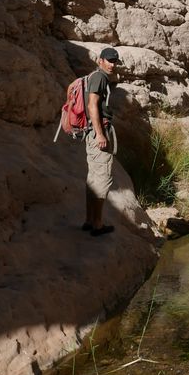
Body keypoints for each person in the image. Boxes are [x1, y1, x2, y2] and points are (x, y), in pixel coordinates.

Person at [83, 46, 120, 236]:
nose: (113, 65)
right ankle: (97, 224)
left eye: (115, 61)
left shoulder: (99, 77)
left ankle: (90, 220)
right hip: (98, 132)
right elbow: (92, 105)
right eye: (110, 60)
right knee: (103, 179)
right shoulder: (98, 77)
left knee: (93, 179)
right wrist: (100, 134)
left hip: (95, 131)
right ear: (101, 60)